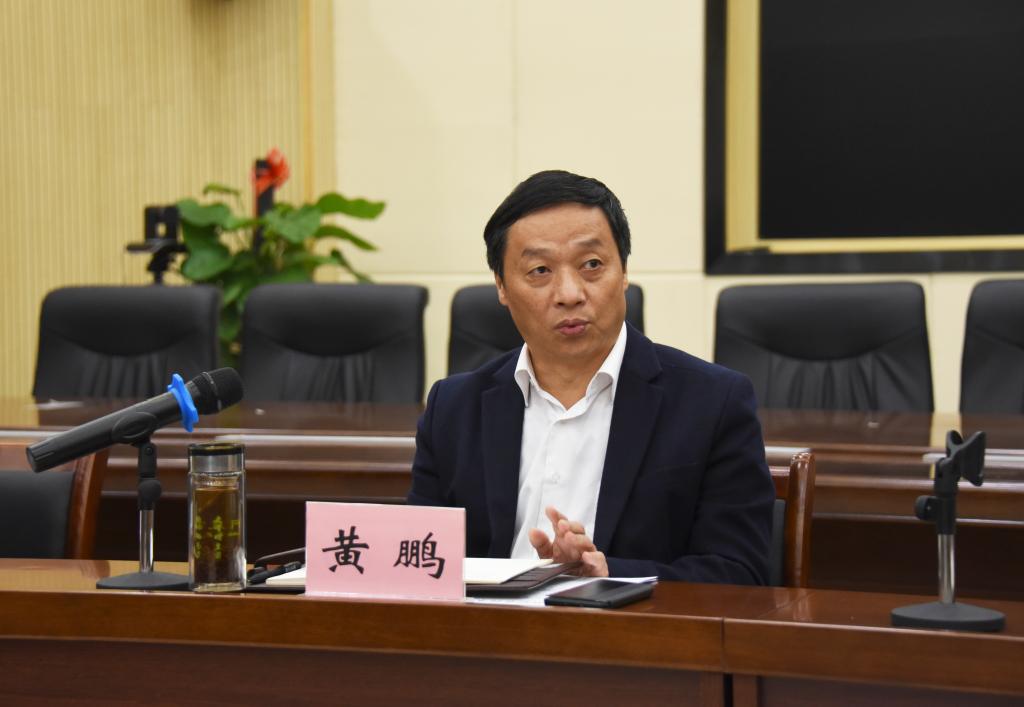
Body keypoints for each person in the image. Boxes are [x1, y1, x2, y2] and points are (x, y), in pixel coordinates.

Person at [408, 170, 774, 582]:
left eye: (592, 265)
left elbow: (741, 574)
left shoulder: (712, 404)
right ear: (502, 287)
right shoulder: (453, 409)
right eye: (539, 271)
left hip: (632, 622)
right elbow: (420, 562)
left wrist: (607, 574)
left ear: (624, 271)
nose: (570, 293)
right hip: (486, 621)